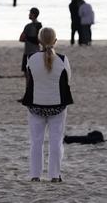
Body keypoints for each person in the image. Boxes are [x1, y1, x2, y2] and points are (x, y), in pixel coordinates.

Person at [21, 27, 73, 182]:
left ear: (39, 41)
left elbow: (30, 78)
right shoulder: (63, 60)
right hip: (57, 105)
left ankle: (35, 175)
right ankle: (55, 175)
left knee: (36, 141)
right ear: (55, 41)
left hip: (36, 104)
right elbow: (68, 80)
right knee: (56, 141)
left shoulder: (31, 58)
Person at [19, 7, 43, 72]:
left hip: (28, 51)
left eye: (30, 13)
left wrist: (27, 38)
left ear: (33, 15)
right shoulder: (40, 26)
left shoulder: (28, 26)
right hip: (37, 51)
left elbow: (21, 38)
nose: (29, 15)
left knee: (27, 72)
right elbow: (40, 40)